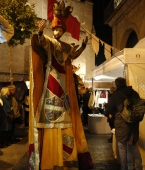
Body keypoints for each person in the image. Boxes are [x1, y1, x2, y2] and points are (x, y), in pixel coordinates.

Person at [29, 1, 93, 169]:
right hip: (51, 82)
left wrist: (84, 46)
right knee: (51, 115)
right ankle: (50, 156)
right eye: (56, 29)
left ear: (63, 31)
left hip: (64, 85)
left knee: (64, 115)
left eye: (60, 30)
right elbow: (40, 41)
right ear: (53, 29)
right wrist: (40, 31)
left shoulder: (65, 46)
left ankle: (66, 155)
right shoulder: (49, 41)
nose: (57, 32)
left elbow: (74, 54)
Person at [105, 77, 143, 170]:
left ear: (116, 84)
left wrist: (108, 113)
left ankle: (124, 167)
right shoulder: (134, 93)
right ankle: (138, 167)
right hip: (134, 123)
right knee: (133, 145)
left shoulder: (116, 95)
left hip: (121, 124)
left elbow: (108, 110)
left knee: (122, 146)